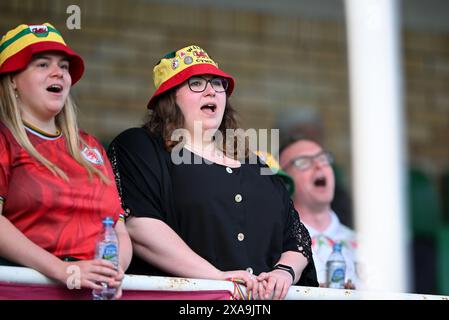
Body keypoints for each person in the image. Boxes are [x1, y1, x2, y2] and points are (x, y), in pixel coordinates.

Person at [107, 44, 318, 300]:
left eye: (218, 84)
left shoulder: (256, 163)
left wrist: (283, 273)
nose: (211, 90)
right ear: (170, 98)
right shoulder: (142, 146)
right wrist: (218, 280)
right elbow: (140, 227)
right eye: (196, 83)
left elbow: (296, 236)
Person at [0, 23, 132, 298]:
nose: (58, 72)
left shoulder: (91, 146)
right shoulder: (4, 139)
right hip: (27, 292)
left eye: (64, 65)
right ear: (12, 79)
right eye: (42, 64)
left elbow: (118, 228)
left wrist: (114, 271)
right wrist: (63, 270)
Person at [280, 137, 361, 289]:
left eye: (323, 158)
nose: (318, 165)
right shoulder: (278, 246)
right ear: (284, 181)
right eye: (303, 162)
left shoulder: (367, 247)